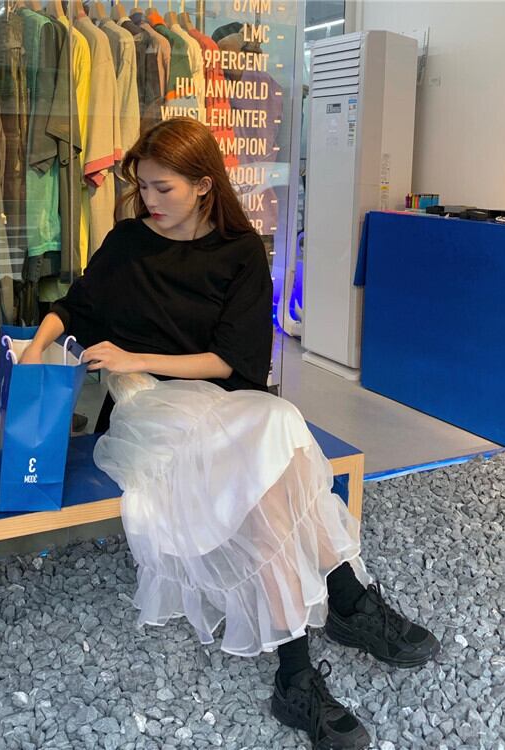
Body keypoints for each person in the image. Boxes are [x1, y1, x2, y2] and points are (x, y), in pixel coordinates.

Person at [21, 118, 439, 750]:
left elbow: (234, 362)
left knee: (275, 437)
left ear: (203, 185)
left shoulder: (239, 253)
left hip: (220, 400)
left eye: (162, 188)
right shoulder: (128, 241)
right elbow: (74, 305)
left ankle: (311, 655)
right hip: (147, 408)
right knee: (273, 464)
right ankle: (332, 624)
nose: (149, 200)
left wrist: (135, 354)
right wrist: (38, 346)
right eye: (143, 187)